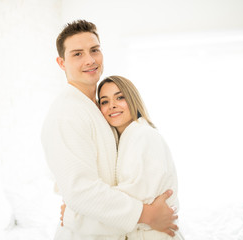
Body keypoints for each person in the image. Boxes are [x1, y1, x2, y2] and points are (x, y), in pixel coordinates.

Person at [41, 20, 178, 239]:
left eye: (94, 50)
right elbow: (80, 190)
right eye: (77, 54)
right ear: (61, 63)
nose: (90, 60)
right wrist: (146, 214)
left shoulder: (97, 109)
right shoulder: (67, 113)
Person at [61, 75, 185, 239]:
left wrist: (75, 216)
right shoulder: (122, 141)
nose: (112, 105)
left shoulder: (144, 137)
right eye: (104, 101)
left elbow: (128, 208)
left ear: (133, 99)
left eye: (120, 97)